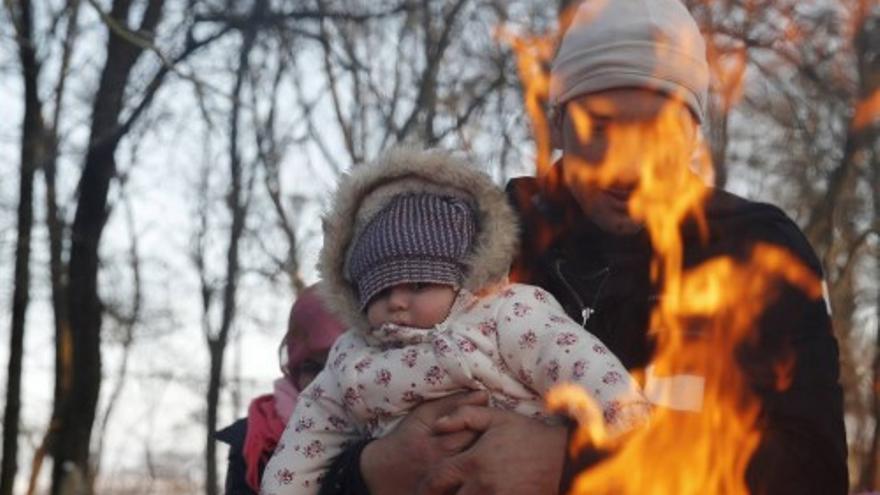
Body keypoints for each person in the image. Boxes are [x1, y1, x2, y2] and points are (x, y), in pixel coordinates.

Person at [318, 0, 849, 494]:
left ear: (693, 134)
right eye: (600, 126)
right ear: (557, 123)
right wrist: (378, 466)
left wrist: (577, 465)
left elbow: (812, 471)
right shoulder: (477, 238)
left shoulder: (755, 248)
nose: (627, 166)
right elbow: (325, 420)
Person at [260, 148, 651, 494]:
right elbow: (310, 430)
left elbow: (572, 358)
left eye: (418, 283)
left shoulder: (505, 313)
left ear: (461, 279)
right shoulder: (351, 356)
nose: (396, 302)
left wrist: (623, 426)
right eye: (379, 291)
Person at [216, 284, 346, 494]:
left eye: (340, 366)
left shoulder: (394, 428)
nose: (325, 383)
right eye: (313, 368)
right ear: (293, 370)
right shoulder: (255, 439)